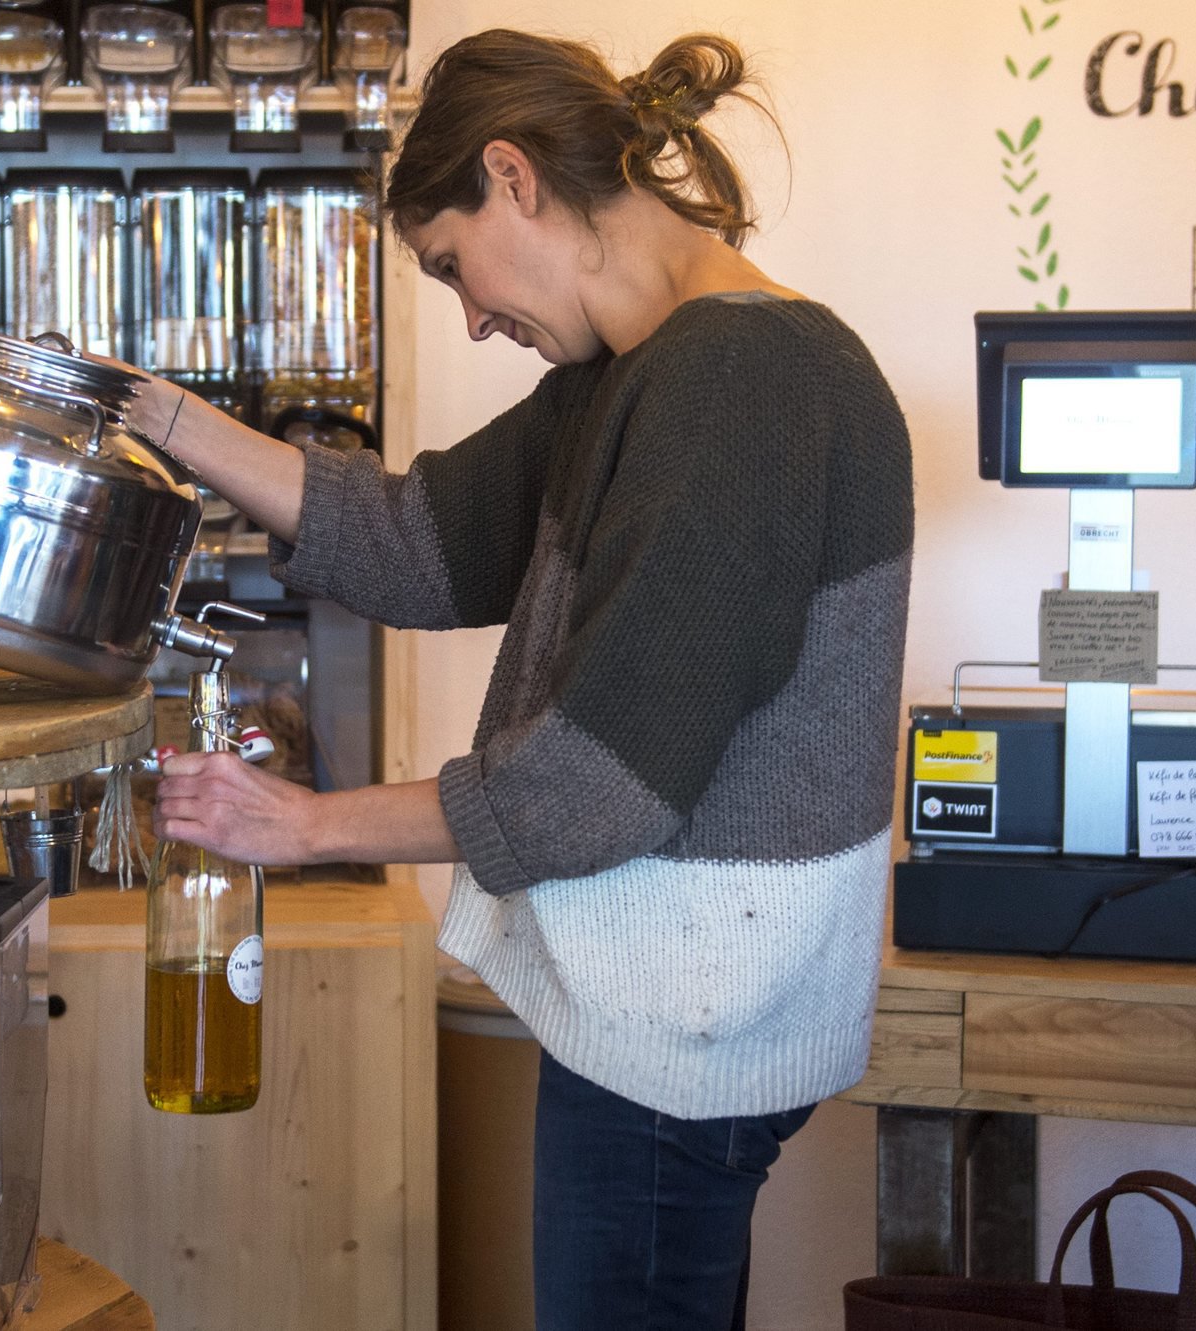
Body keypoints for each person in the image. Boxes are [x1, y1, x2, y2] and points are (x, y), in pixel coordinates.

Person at [119, 27, 913, 1331]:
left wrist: (306, 826)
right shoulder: (647, 376)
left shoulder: (746, 387)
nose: (475, 316)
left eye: (452, 267)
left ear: (514, 175)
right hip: (675, 1013)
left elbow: (598, 786)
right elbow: (416, 543)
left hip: (683, 1024)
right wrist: (160, 416)